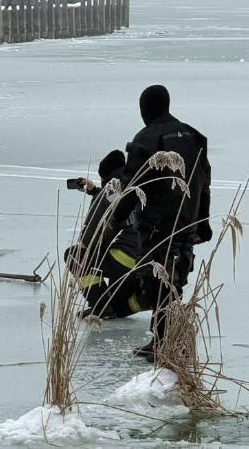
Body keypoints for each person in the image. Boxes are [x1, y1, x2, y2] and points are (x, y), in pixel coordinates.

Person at [110, 85, 213, 362]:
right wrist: (203, 222)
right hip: (187, 222)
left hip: (157, 225)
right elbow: (204, 184)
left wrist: (115, 219)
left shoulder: (145, 139)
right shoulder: (194, 136)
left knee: (157, 281)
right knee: (174, 280)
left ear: (146, 109)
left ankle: (165, 343)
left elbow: (132, 187)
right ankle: (165, 339)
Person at [66, 150, 148, 320]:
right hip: (147, 261)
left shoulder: (109, 190)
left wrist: (82, 254)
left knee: (74, 255)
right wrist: (95, 191)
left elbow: (90, 236)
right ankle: (142, 299)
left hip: (125, 260)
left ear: (105, 176)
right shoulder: (138, 185)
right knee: (119, 307)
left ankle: (99, 305)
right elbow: (120, 204)